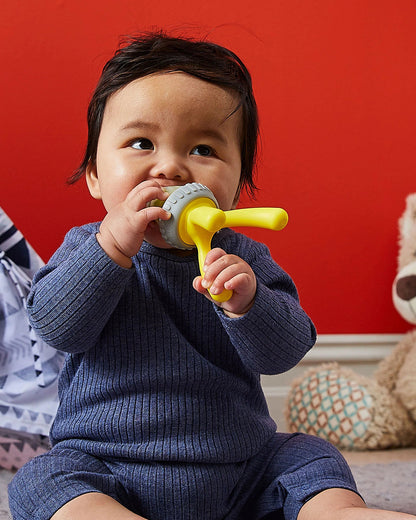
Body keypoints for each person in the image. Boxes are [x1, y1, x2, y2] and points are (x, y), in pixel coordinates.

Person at [8, 32, 415, 520]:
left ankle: (337, 512)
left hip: (242, 466)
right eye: (141, 143)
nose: (172, 167)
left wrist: (248, 304)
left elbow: (285, 351)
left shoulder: (244, 257)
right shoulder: (85, 247)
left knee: (309, 455)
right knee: (41, 479)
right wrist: (111, 249)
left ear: (237, 187)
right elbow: (56, 328)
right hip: (109, 465)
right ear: (95, 173)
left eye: (203, 148)